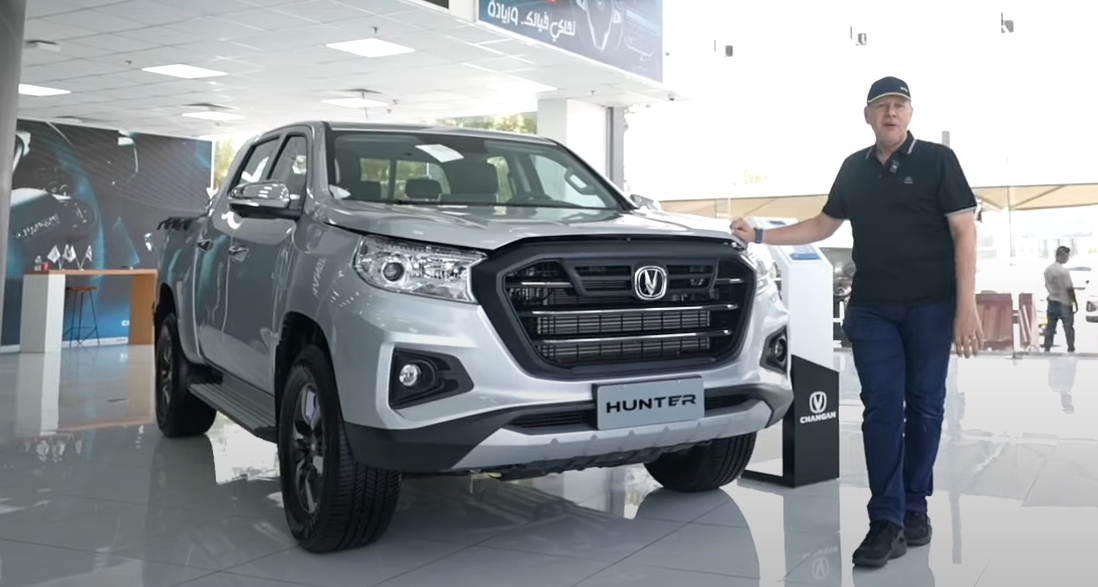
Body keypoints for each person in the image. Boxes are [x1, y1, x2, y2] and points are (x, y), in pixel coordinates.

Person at [730, 76, 983, 569]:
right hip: (872, 309)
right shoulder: (854, 168)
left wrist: (966, 306)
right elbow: (822, 225)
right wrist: (760, 234)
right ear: (867, 115)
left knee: (926, 407)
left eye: (900, 105)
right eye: (882, 105)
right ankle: (886, 519)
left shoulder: (938, 161)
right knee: (881, 408)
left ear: (910, 114)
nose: (891, 112)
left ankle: (915, 505)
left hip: (931, 307)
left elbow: (964, 232)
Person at [1043, 245, 1076, 353]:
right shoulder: (1064, 271)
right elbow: (1069, 288)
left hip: (1052, 301)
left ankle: (1047, 348)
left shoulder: (1048, 270)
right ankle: (1071, 348)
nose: (1067, 258)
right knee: (1068, 328)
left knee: (1050, 327)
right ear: (1060, 256)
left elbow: (1046, 285)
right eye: (1066, 256)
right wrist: (1075, 302)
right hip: (1064, 303)